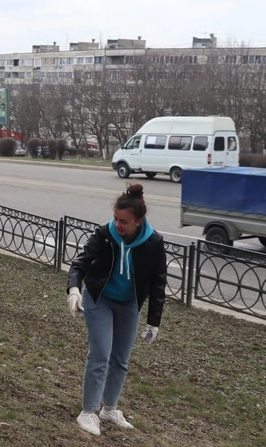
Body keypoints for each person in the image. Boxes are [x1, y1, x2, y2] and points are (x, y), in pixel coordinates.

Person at [66, 183, 166, 436]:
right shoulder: (105, 234)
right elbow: (81, 262)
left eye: (124, 221)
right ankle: (88, 411)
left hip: (129, 304)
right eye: (115, 219)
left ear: (139, 221)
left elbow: (158, 283)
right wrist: (74, 290)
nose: (118, 225)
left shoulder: (153, 242)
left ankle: (109, 409)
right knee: (100, 354)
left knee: (120, 359)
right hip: (100, 299)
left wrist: (154, 321)